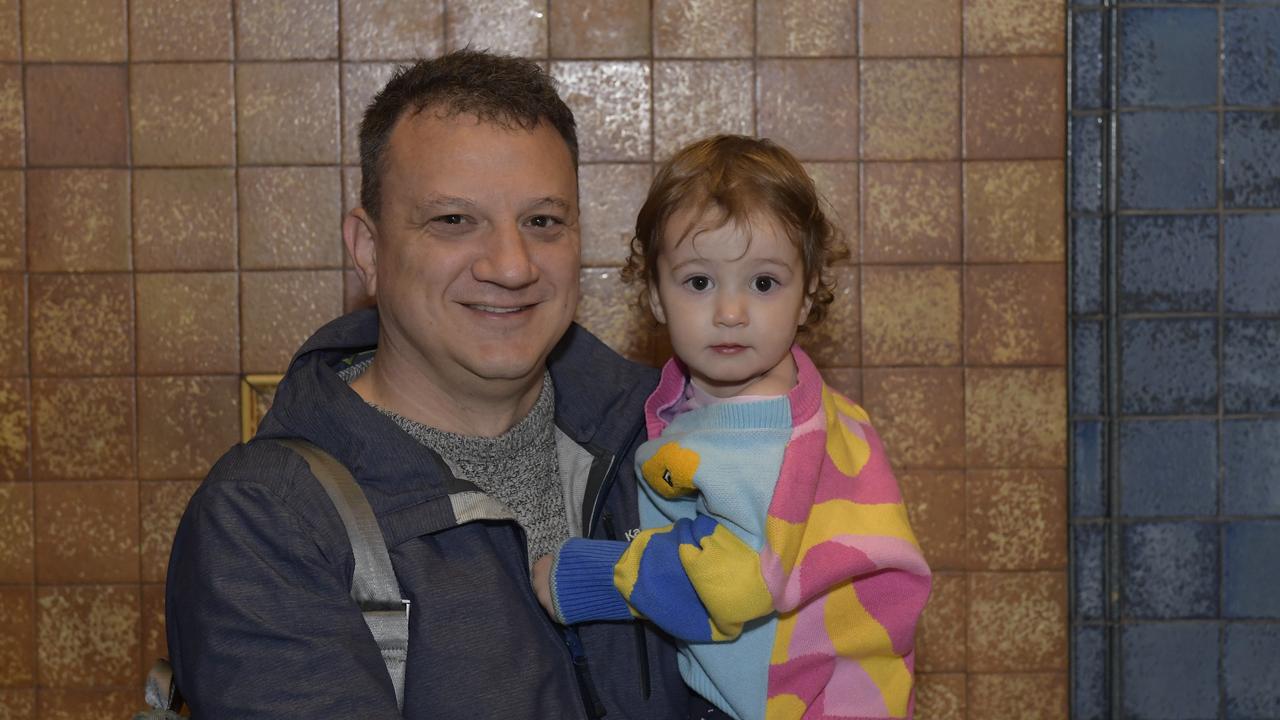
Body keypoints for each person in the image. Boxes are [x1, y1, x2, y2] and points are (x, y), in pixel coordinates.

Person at [164, 50, 692, 719]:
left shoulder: (675, 441)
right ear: (368, 249)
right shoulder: (269, 523)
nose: (511, 265)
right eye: (453, 221)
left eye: (542, 222)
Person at [531, 135, 933, 720]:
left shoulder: (757, 441)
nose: (730, 312)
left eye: (763, 283)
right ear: (655, 294)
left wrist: (581, 577)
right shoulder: (796, 400)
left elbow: (726, 584)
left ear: (807, 291)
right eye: (699, 282)